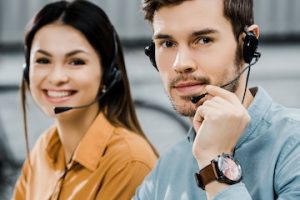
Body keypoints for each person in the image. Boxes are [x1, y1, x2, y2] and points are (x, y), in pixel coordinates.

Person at [134, 0, 300, 199]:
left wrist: (215, 164)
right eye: (167, 44)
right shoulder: (163, 173)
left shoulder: (293, 145)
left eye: (203, 40)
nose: (181, 64)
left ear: (247, 44)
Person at [12, 0, 158, 199]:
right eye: (43, 60)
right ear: (27, 70)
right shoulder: (44, 149)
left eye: (76, 62)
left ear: (107, 74)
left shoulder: (129, 163)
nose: (56, 77)